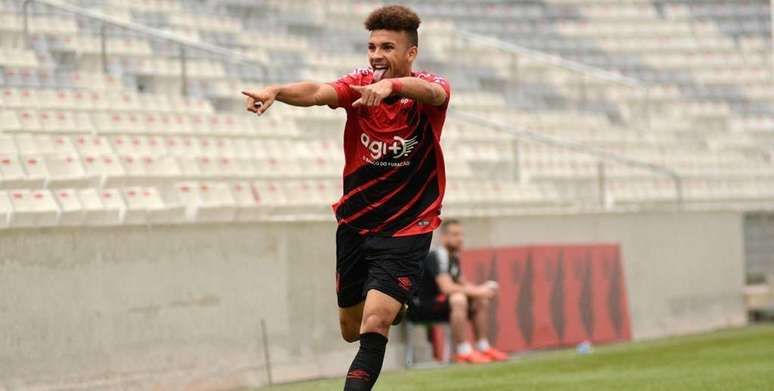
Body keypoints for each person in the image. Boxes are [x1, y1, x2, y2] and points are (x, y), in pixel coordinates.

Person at [241, 5, 450, 390]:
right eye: (371, 47)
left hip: (408, 224)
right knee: (351, 328)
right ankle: (394, 300)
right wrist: (277, 92)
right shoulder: (358, 85)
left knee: (376, 322)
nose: (375, 56)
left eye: (387, 47)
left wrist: (393, 86)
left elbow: (434, 92)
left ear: (411, 54)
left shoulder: (425, 89)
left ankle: (390, 303)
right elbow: (319, 92)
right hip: (356, 223)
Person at [408, 219, 508, 363]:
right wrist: (480, 291)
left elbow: (463, 283)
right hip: (421, 307)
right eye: (455, 235)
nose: (460, 238)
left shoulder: (452, 257)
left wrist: (484, 290)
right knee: (459, 298)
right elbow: (447, 288)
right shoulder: (438, 255)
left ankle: (483, 347)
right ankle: (463, 351)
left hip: (442, 305)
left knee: (479, 300)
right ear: (443, 237)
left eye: (461, 234)